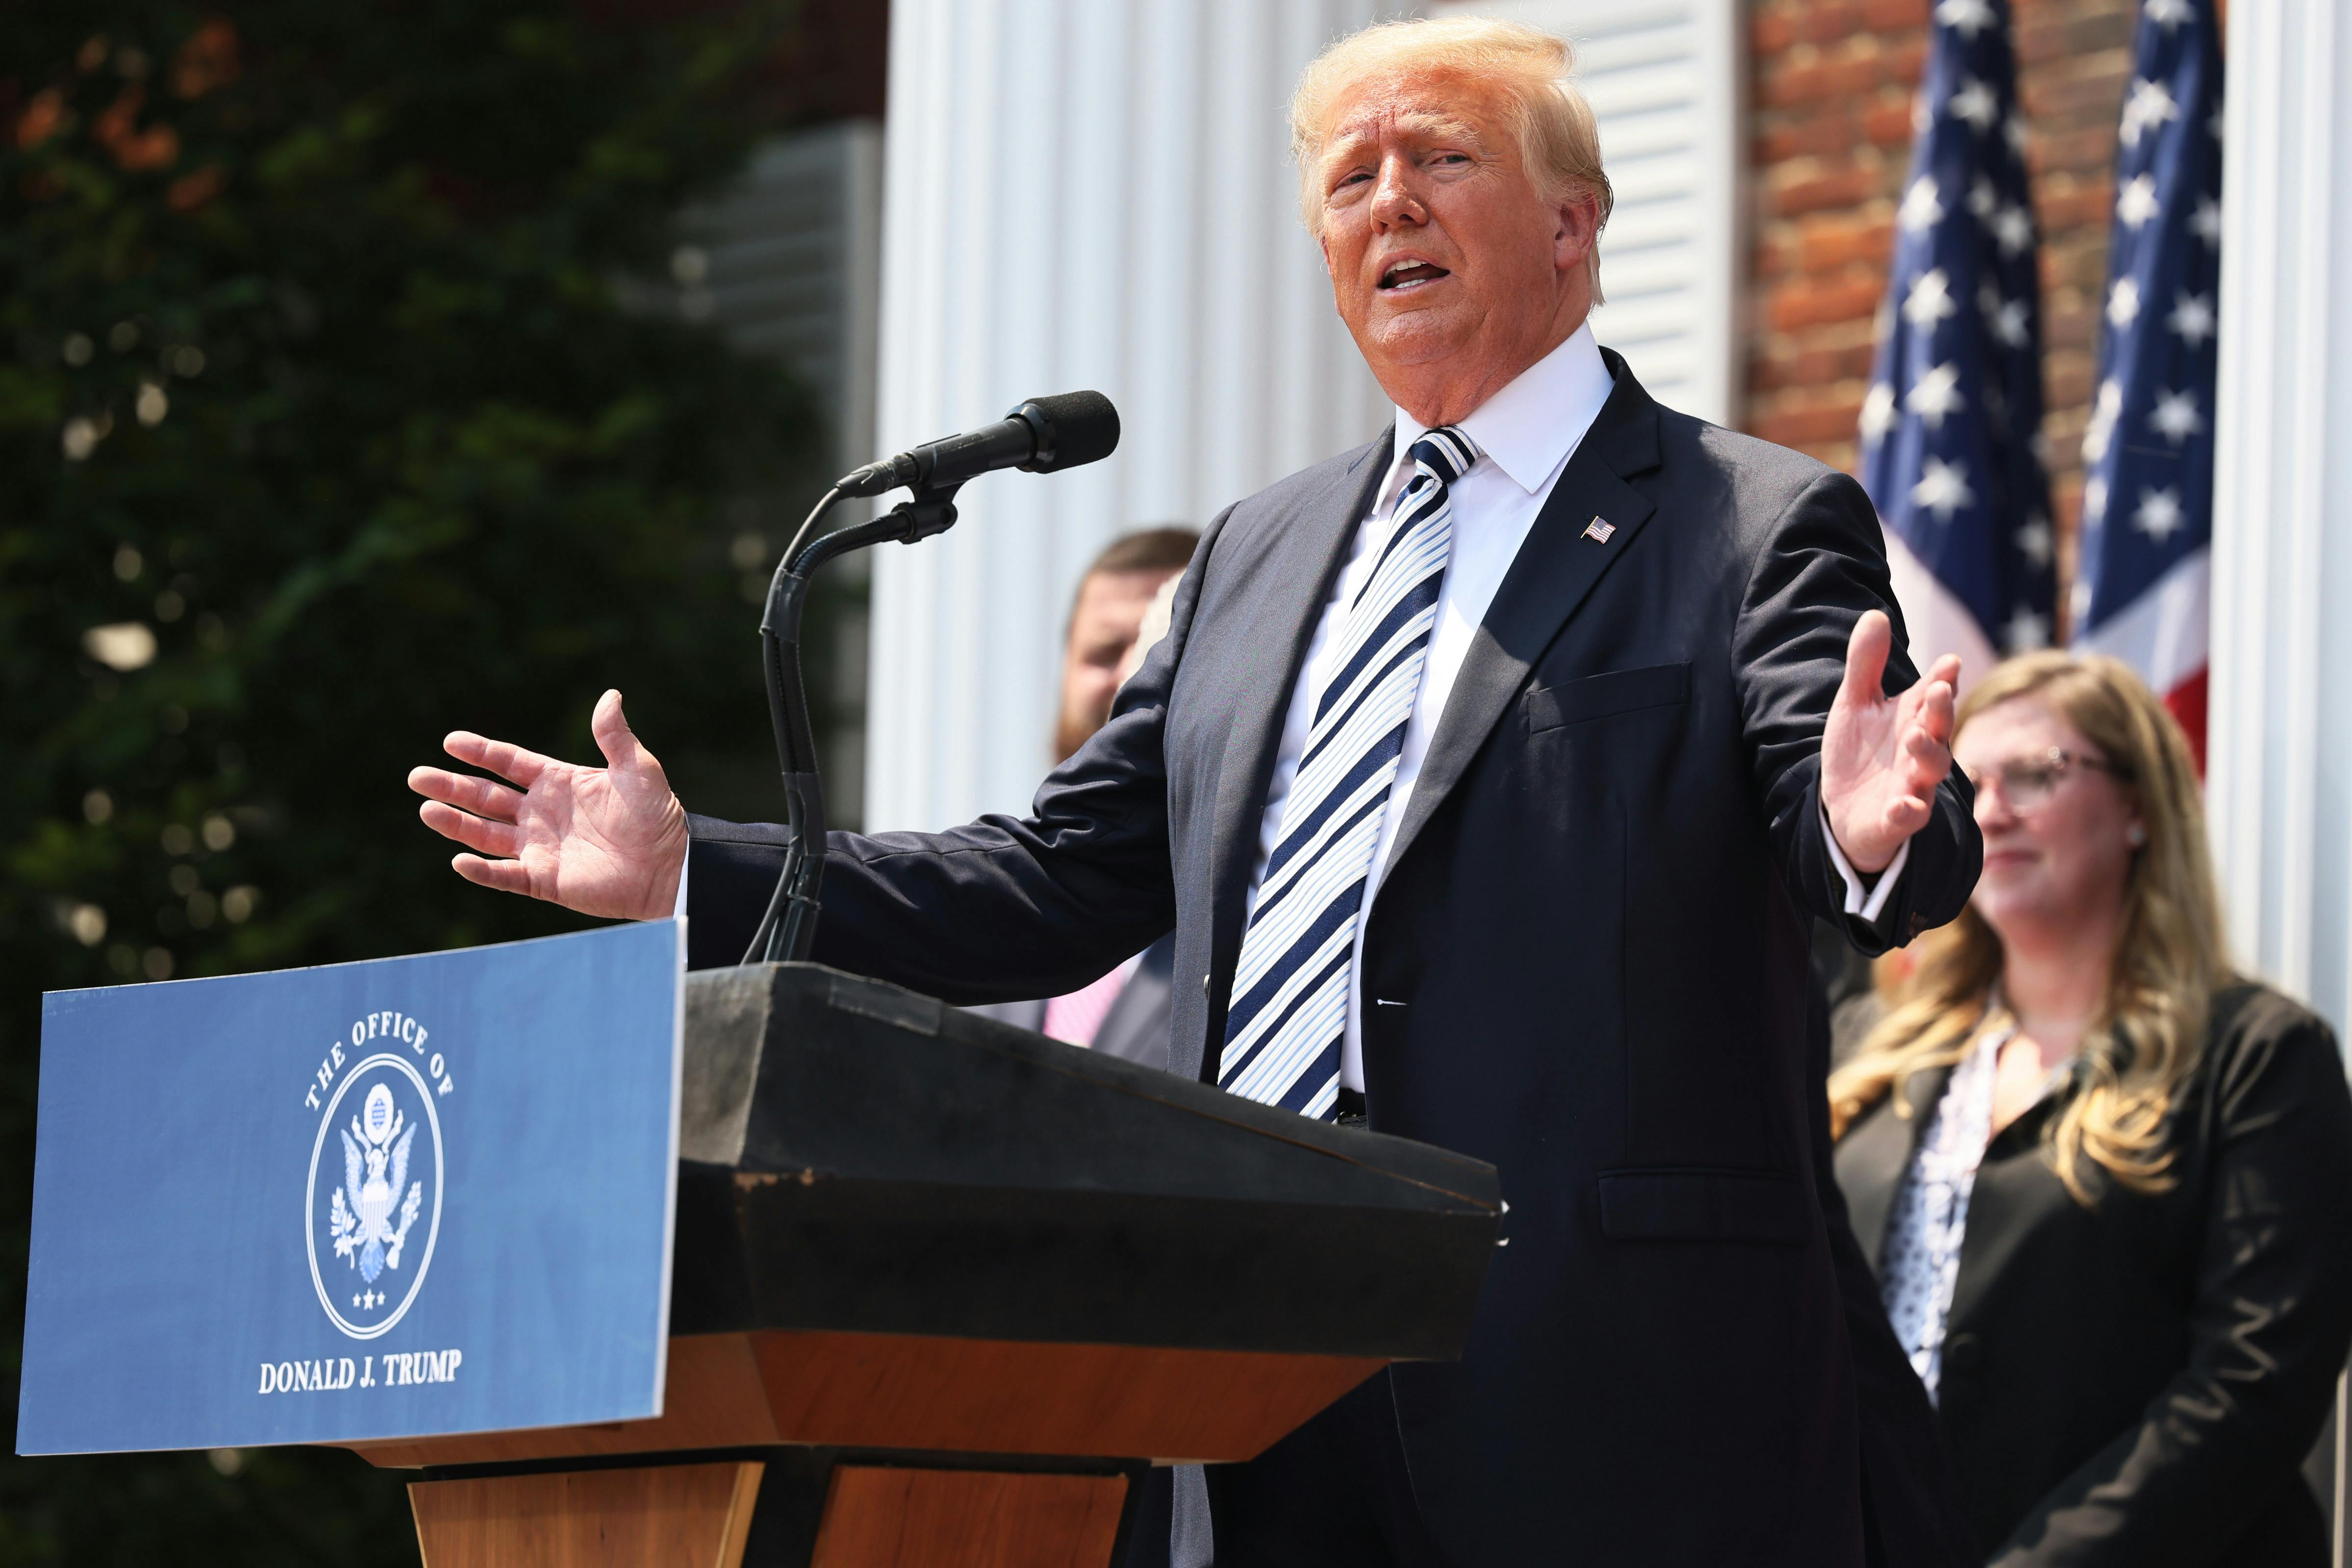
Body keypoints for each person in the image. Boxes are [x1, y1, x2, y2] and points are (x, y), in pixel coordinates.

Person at [407, 18, 1983, 1565]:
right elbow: (1058, 876)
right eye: (1352, 183)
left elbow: (1853, 813)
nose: (1391, 204)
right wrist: (704, 871)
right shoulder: (1257, 553)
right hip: (1260, 1366)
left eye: (1442, 158)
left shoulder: (1748, 521)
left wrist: (1861, 832)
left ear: (1574, 223)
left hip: (1606, 1382)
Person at [1830, 652, 2352, 1566]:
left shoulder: (2259, 1057)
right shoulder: (1867, 1049)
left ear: (2141, 805)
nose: (1989, 809)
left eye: (2035, 774)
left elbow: (2252, 1385)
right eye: (1966, 780)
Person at [968, 527, 1198, 1066]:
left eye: (1159, 649)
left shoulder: (1257, 907)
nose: (1129, 675)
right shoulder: (999, 896)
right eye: (1104, 652)